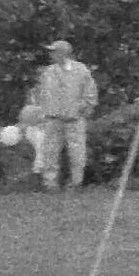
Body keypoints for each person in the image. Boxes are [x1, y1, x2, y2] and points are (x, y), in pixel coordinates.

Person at [36, 39, 98, 191]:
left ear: (63, 53)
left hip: (74, 119)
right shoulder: (48, 72)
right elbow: (42, 93)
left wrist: (82, 108)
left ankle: (76, 182)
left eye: (54, 51)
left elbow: (90, 93)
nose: (51, 54)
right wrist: (43, 112)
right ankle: (50, 183)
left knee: (77, 152)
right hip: (53, 118)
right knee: (50, 151)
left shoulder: (81, 70)